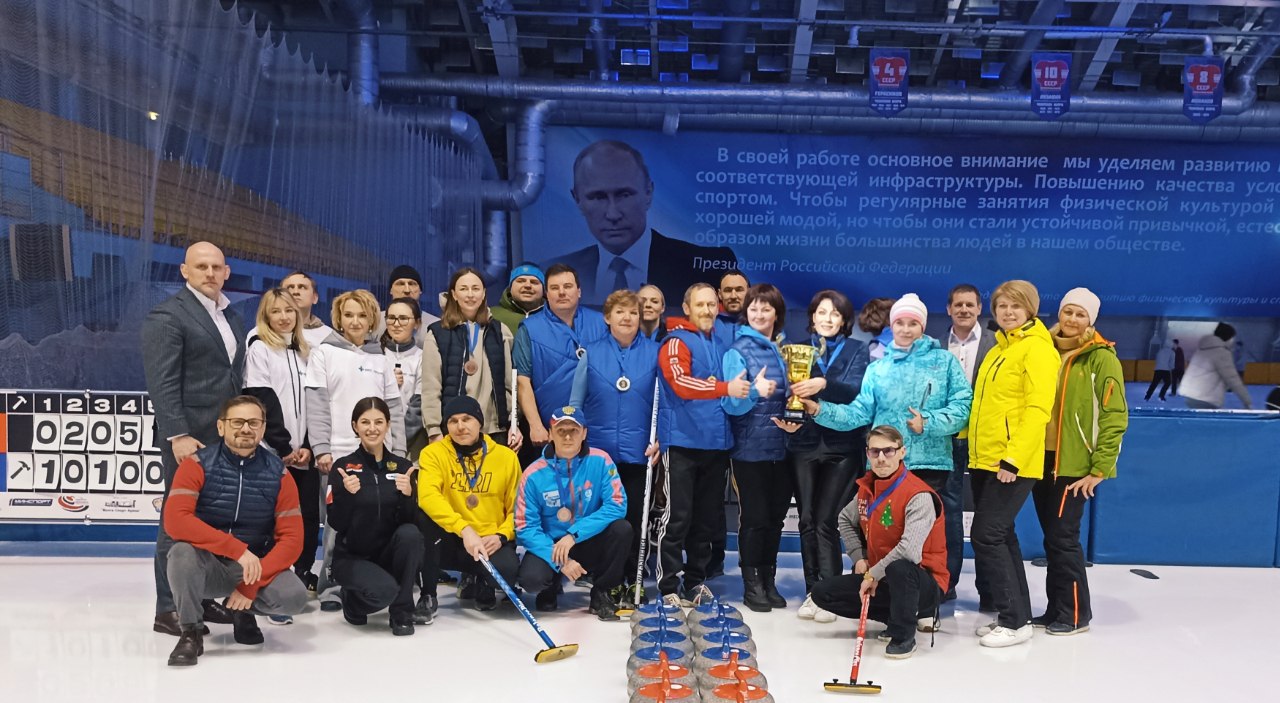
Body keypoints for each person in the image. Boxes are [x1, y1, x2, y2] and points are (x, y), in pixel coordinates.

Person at [804, 293, 971, 632]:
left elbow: (962, 407)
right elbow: (859, 413)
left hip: (930, 463)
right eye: (899, 322)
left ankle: (927, 606)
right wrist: (820, 410)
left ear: (922, 326)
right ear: (891, 325)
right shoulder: (878, 368)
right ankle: (889, 602)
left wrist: (929, 421)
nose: (906, 329)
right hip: (885, 467)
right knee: (882, 537)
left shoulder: (943, 362)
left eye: (913, 323)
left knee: (926, 543)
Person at [142, 241, 247, 637]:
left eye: (216, 267)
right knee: (177, 520)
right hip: (188, 439)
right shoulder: (167, 315)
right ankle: (168, 609)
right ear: (184, 271)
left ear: (226, 272)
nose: (209, 273)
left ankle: (199, 599)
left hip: (223, 438)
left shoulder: (230, 316)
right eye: (200, 266)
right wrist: (178, 434)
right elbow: (162, 382)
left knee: (211, 520)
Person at [161, 396, 307, 666]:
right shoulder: (196, 464)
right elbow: (176, 521)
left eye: (254, 422)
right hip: (210, 565)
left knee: (294, 597)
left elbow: (293, 540)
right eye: (237, 422)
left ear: (263, 429)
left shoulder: (280, 474)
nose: (245, 429)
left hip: (254, 568)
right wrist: (236, 549)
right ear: (220, 427)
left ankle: (242, 611)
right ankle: (191, 632)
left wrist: (251, 585)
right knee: (180, 553)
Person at [967, 280, 1060, 648]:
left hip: (1011, 461)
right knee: (1002, 536)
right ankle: (1016, 614)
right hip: (984, 458)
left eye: (1015, 306)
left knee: (985, 535)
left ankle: (1013, 621)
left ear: (1030, 309)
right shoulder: (999, 349)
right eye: (1002, 306)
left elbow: (1038, 410)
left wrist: (1014, 458)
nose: (1007, 312)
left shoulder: (1037, 349)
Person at [810, 425, 949, 660]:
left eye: (888, 451)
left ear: (902, 452)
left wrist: (873, 574)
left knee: (900, 567)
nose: (881, 458)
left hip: (923, 582)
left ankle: (903, 634)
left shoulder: (918, 494)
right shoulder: (867, 488)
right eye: (875, 452)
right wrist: (858, 557)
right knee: (822, 593)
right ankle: (896, 615)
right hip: (881, 576)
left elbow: (909, 552)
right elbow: (844, 518)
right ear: (867, 454)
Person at [1035, 288, 1128, 636]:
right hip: (1040, 459)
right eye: (1067, 312)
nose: (1072, 320)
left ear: (1091, 320)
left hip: (1073, 465)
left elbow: (1115, 415)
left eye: (1080, 315)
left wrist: (1099, 468)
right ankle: (1056, 607)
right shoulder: (1044, 349)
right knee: (1052, 540)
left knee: (1063, 539)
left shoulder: (1101, 358)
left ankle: (1075, 614)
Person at [543, 140, 737, 305]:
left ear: (648, 193)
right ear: (577, 200)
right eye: (598, 197)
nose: (612, 214)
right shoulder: (552, 271)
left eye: (624, 195)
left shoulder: (704, 267)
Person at [775, 290, 870, 624]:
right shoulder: (795, 350)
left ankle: (830, 592)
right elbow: (783, 388)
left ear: (844, 320)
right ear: (812, 316)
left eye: (835, 314)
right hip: (803, 443)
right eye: (821, 312)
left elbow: (856, 390)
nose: (828, 319)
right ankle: (813, 592)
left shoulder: (859, 350)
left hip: (843, 447)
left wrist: (822, 383)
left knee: (828, 520)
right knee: (806, 520)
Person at [655, 283, 752, 607]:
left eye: (712, 305)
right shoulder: (675, 341)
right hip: (683, 441)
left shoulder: (722, 341)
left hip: (716, 443)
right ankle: (668, 585)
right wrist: (724, 387)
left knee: (706, 519)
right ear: (687, 308)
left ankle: (696, 581)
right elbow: (681, 383)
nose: (708, 310)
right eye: (701, 305)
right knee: (677, 517)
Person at [569, 289, 660, 602]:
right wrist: (576, 444)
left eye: (633, 312)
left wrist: (660, 437)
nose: (627, 318)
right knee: (602, 519)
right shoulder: (591, 353)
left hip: (638, 454)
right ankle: (605, 579)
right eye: (620, 312)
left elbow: (663, 405)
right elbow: (575, 403)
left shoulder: (655, 352)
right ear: (607, 318)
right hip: (599, 456)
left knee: (635, 519)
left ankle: (633, 579)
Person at [515, 406, 632, 620]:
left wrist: (574, 534)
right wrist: (561, 560)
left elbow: (616, 505)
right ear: (550, 434)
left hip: (586, 538)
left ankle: (601, 592)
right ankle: (550, 586)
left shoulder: (601, 461)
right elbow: (525, 528)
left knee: (621, 529)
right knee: (531, 579)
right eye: (561, 431)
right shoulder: (532, 474)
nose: (567, 436)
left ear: (584, 433)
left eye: (574, 430)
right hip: (551, 545)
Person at [243, 288, 317, 606]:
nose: (284, 316)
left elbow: (316, 401)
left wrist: (311, 444)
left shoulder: (307, 351)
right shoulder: (259, 349)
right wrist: (283, 445)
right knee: (274, 518)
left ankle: (303, 571)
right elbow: (263, 399)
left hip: (306, 452)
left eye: (289, 310)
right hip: (276, 452)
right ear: (266, 316)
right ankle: (275, 577)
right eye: (276, 311)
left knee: (308, 515)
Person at [721, 284, 791, 612]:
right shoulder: (738, 350)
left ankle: (769, 580)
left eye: (766, 308)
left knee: (776, 519)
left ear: (777, 313)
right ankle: (751, 586)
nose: (759, 314)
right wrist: (753, 392)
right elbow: (730, 404)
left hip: (781, 448)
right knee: (755, 518)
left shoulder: (779, 348)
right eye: (754, 308)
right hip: (749, 450)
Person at [328, 398, 425, 635]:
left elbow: (411, 525)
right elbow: (336, 522)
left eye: (379, 422)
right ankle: (352, 601)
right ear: (355, 426)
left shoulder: (402, 466)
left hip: (386, 556)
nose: (372, 428)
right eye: (365, 422)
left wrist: (408, 496)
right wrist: (347, 496)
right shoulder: (343, 467)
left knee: (410, 535)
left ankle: (402, 612)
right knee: (383, 592)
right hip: (353, 558)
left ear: (388, 425)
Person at [417, 396, 522, 612]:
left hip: (490, 541)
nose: (460, 426)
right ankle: (428, 594)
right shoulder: (432, 454)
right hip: (452, 538)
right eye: (453, 421)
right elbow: (428, 496)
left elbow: (519, 508)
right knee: (422, 518)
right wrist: (464, 530)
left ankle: (481, 581)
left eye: (467, 419)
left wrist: (501, 535)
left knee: (508, 572)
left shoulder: (506, 457)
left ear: (480, 422)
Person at [514, 264, 608, 460]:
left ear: (579, 291)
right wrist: (536, 425)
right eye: (555, 288)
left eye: (568, 286)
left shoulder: (602, 323)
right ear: (546, 293)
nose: (562, 292)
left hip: (596, 430)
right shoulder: (529, 329)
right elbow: (523, 381)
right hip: (549, 433)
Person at [305, 289, 406, 473]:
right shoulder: (322, 353)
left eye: (362, 315)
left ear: (372, 320)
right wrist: (321, 450)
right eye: (348, 315)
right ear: (339, 319)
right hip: (336, 453)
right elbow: (316, 407)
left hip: (380, 453)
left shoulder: (382, 359)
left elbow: (394, 410)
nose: (355, 322)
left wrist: (398, 451)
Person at [421, 267, 519, 450]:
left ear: (484, 294)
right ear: (453, 294)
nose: (470, 294)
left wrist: (514, 423)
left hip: (493, 429)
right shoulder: (437, 333)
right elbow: (430, 386)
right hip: (454, 429)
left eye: (475, 288)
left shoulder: (500, 331)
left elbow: (509, 384)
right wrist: (434, 430)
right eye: (463, 289)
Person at [944, 283, 995, 601]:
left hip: (985, 440)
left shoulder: (996, 344)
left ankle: (990, 590)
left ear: (979, 309)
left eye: (970, 305)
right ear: (948, 309)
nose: (964, 309)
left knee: (989, 516)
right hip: (947, 440)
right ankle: (946, 583)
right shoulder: (934, 347)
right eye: (958, 305)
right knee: (948, 512)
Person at [382, 297, 426, 452]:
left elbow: (419, 407)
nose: (396, 324)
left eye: (404, 319)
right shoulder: (374, 355)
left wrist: (397, 440)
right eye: (391, 318)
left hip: (409, 444)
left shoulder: (422, 357)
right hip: (374, 439)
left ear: (417, 323)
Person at [1182, 323, 1253, 409]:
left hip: (1190, 395)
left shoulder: (1202, 349)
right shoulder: (1221, 353)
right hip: (1205, 398)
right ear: (1228, 338)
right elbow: (1233, 379)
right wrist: (1247, 402)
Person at [374, 264, 441, 340]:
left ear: (420, 290)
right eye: (400, 284)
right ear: (390, 290)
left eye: (412, 284)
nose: (407, 290)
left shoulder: (437, 326)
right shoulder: (375, 322)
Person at [281, 270, 334, 349]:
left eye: (302, 287)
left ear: (314, 298)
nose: (295, 292)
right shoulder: (263, 333)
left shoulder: (329, 337)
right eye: (290, 287)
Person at [492, 263, 546, 335]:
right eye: (521, 281)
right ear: (510, 287)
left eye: (534, 282)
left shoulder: (554, 318)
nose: (528, 285)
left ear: (544, 290)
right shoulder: (491, 316)